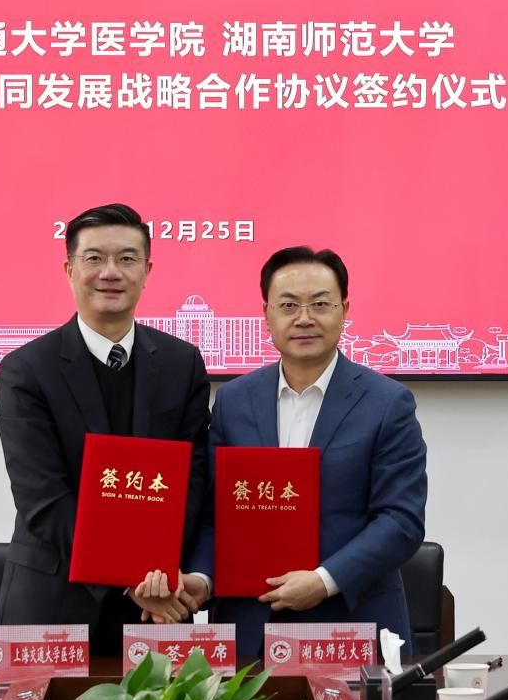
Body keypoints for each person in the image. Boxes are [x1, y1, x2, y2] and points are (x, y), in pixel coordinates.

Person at [182, 246, 427, 658]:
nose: (304, 318)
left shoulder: (387, 403)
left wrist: (324, 580)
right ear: (267, 314)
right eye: (289, 305)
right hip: (249, 626)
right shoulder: (233, 401)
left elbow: (400, 520)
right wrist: (202, 578)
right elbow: (214, 512)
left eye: (320, 304)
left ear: (344, 309)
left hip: (349, 623)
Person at [0, 203, 210, 655]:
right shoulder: (28, 370)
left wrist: (156, 576)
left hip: (157, 602)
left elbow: (193, 478)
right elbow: (43, 498)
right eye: (94, 258)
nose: (110, 272)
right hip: (54, 603)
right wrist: (128, 576)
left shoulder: (181, 364)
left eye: (127, 258)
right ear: (69, 269)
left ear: (147, 271)